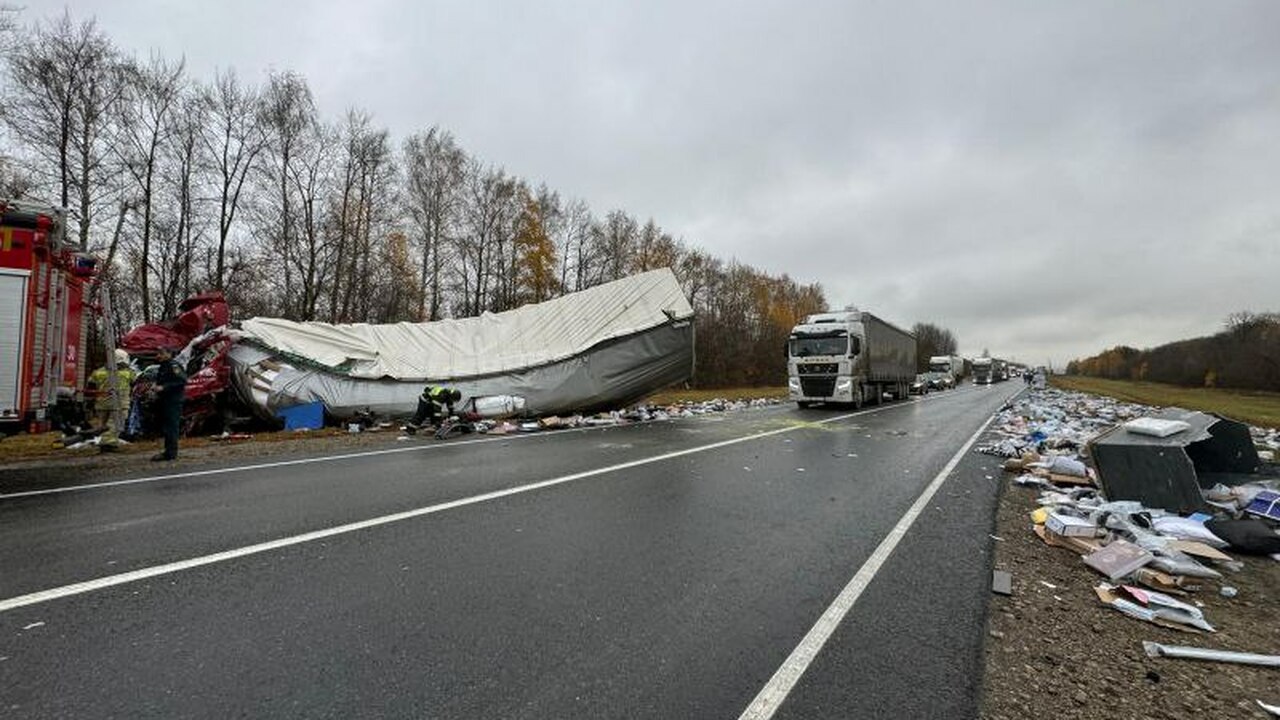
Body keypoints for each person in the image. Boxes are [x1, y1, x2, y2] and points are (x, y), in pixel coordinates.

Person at [87, 349, 137, 437]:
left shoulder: (98, 372)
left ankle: (101, 440)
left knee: (102, 424)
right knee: (114, 425)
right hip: (119, 404)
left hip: (101, 403)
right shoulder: (127, 373)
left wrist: (91, 400)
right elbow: (135, 381)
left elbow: (91, 384)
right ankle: (108, 444)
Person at [151, 347, 187, 461]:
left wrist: (164, 387)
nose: (158, 356)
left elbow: (182, 381)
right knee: (166, 427)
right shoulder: (163, 366)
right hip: (165, 400)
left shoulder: (173, 365)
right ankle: (168, 451)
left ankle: (170, 453)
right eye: (157, 354)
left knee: (171, 427)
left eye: (161, 353)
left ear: (169, 353)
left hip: (173, 401)